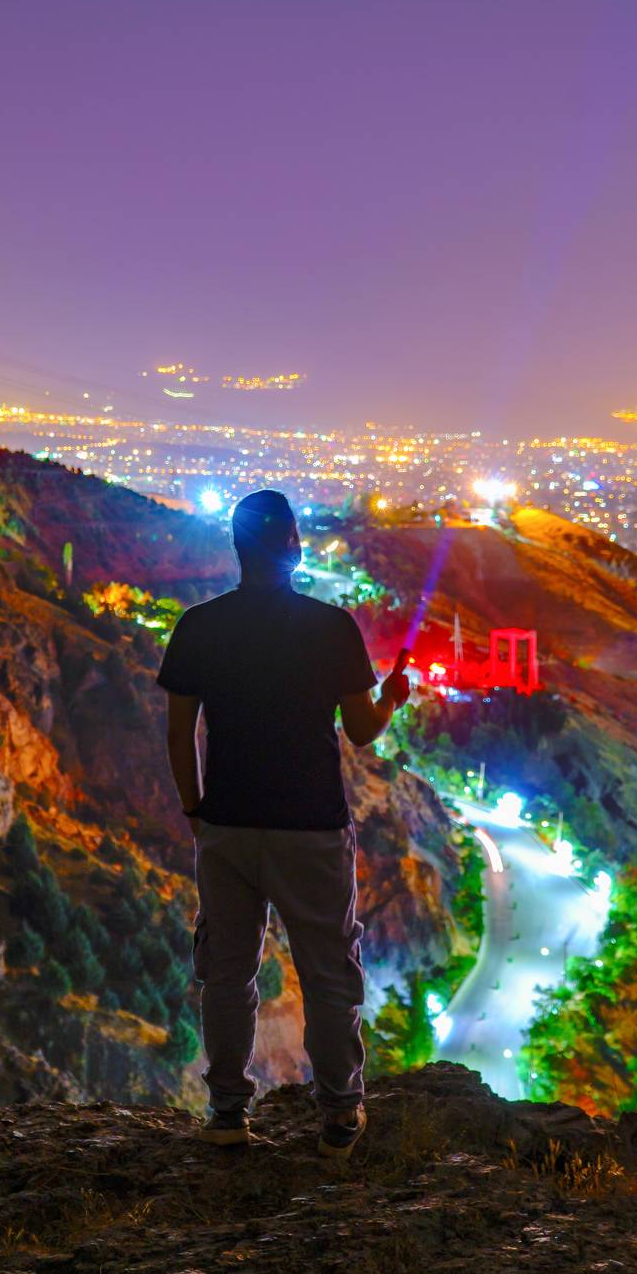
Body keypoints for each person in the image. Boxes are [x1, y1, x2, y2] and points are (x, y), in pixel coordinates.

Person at [156, 488, 410, 1157]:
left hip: (228, 824)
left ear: (237, 547)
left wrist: (196, 812)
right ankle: (340, 1115)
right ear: (294, 545)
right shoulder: (332, 627)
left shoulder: (199, 626)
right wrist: (392, 698)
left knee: (227, 974)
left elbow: (180, 734)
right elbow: (362, 731)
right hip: (311, 828)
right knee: (328, 975)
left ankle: (226, 1113)